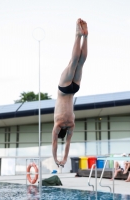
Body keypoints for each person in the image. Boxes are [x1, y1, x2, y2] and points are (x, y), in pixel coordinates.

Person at [52, 18, 88, 167]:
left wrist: (64, 159)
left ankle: (85, 37)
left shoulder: (71, 124)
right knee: (73, 62)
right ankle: (77, 35)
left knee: (81, 62)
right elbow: (55, 143)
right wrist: (55, 159)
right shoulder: (57, 123)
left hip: (74, 89)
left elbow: (67, 144)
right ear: (59, 130)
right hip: (63, 89)